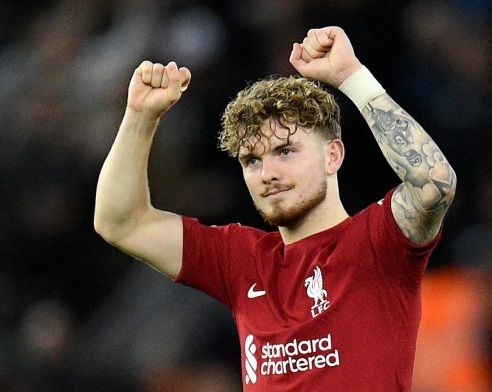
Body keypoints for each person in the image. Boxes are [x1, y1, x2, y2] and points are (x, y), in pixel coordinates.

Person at [94, 26, 456, 390]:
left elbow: (435, 183)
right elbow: (121, 223)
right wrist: (140, 118)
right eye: (251, 160)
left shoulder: (378, 243)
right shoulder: (240, 261)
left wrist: (351, 77)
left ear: (333, 156)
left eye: (285, 151)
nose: (267, 173)